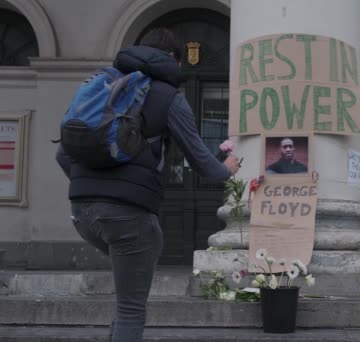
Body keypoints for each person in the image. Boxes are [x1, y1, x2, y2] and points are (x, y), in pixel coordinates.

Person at [55, 28, 240, 342]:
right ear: (172, 59)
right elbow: (203, 164)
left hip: (83, 213)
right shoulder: (168, 95)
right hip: (128, 216)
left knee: (126, 299)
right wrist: (228, 169)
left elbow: (62, 154)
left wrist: (93, 187)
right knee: (131, 306)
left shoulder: (103, 84)